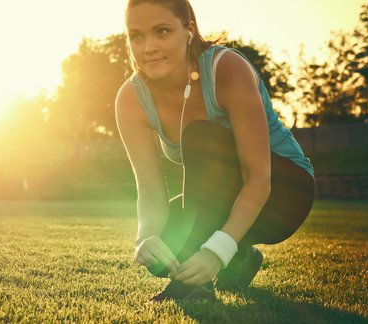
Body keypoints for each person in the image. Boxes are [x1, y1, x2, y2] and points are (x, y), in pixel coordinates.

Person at [115, 0, 315, 301]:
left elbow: (258, 177)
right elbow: (150, 189)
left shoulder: (227, 68)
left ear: (189, 31)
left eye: (162, 31)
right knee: (162, 251)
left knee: (199, 135)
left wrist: (215, 251)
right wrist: (145, 238)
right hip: (222, 199)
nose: (148, 47)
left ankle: (196, 285)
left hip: (284, 193)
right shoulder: (131, 98)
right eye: (137, 36)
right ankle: (241, 257)